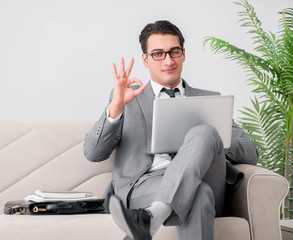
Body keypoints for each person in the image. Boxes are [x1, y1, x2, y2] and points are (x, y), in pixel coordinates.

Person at [84, 20, 258, 240]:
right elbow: (93, 153)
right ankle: (156, 210)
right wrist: (116, 107)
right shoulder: (126, 99)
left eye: (174, 52)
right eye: (158, 54)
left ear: (183, 54)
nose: (168, 60)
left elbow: (250, 154)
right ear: (145, 60)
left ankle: (151, 217)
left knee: (205, 132)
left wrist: (211, 137)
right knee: (199, 193)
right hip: (145, 187)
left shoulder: (209, 99)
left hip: (206, 176)